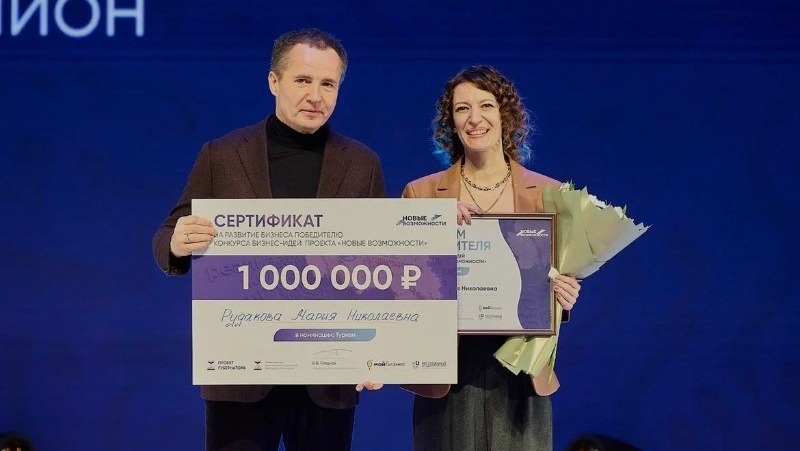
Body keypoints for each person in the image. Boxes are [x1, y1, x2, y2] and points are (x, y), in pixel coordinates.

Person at [152, 28, 385, 451]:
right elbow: (170, 232)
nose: (315, 96)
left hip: (328, 372)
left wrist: (380, 349)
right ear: (274, 82)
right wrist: (177, 242)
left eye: (328, 84)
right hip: (241, 370)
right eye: (303, 80)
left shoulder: (362, 164)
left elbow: (378, 264)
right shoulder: (222, 155)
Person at [401, 65, 582, 451]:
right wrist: (431, 227)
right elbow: (403, 287)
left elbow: (560, 279)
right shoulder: (422, 195)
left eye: (485, 105)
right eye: (462, 108)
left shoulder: (549, 193)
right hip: (448, 374)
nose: (474, 118)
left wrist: (565, 296)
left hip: (521, 374)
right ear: (451, 122)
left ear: (506, 115)